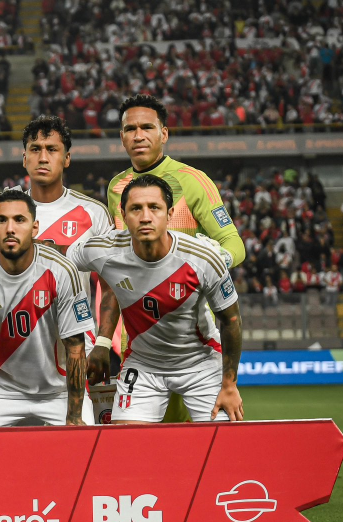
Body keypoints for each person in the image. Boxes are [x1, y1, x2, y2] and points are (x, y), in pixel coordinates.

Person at [107, 94, 246, 422]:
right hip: (139, 337)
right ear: (122, 137)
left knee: (204, 444)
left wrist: (204, 265)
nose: (138, 135)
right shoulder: (117, 187)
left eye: (146, 127)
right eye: (130, 129)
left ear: (164, 134)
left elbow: (233, 243)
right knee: (145, 450)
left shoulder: (193, 181)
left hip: (191, 332)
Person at [0, 116, 120, 396]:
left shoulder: (93, 214)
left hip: (73, 351)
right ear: (24, 158)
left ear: (67, 158)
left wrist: (104, 343)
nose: (43, 157)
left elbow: (111, 285)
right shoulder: (2, 212)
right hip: (9, 357)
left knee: (74, 439)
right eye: (35, 149)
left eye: (52, 149)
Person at [67, 175, 244, 423]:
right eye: (136, 208)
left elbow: (231, 320)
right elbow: (59, 258)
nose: (145, 217)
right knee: (127, 449)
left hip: (201, 363)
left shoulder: (203, 258)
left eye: (155, 208)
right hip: (143, 364)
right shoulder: (103, 250)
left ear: (170, 214)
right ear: (123, 213)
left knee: (223, 447)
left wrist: (229, 384)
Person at [0, 190, 93, 427]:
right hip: (0, 390)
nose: (10, 228)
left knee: (86, 451)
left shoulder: (62, 271)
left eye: (19, 220)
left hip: (58, 392)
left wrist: (74, 418)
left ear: (35, 228)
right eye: (2, 220)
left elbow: (75, 349)